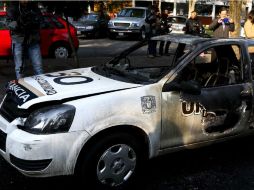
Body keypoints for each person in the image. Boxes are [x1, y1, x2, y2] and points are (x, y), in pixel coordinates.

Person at [6, 1, 43, 79]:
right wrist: (17, 23)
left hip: (33, 39)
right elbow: (8, 23)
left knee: (38, 66)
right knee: (20, 67)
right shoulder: (13, 7)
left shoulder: (34, 7)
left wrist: (35, 22)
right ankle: (21, 87)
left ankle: (42, 87)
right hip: (18, 40)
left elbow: (42, 21)